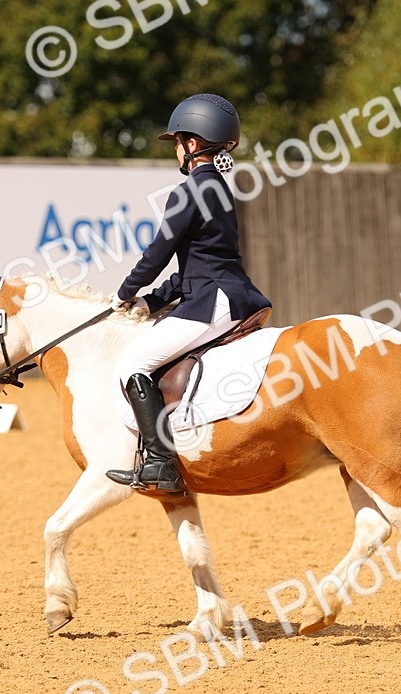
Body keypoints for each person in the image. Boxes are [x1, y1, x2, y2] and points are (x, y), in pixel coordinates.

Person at [106, 93, 272, 494]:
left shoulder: (189, 190)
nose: (176, 150)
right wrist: (151, 301)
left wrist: (124, 293)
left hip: (213, 302)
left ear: (192, 143)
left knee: (133, 364)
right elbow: (197, 265)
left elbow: (157, 254)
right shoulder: (220, 189)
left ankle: (160, 463)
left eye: (177, 142)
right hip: (232, 294)